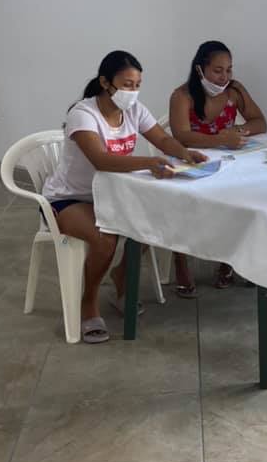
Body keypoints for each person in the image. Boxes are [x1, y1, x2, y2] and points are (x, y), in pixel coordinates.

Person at [42, 50, 206, 343]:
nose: (133, 91)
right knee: (106, 238)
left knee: (156, 219)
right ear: (105, 82)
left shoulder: (134, 110)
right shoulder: (83, 114)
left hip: (111, 193)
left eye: (137, 84)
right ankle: (88, 301)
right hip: (68, 199)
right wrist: (149, 163)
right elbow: (101, 160)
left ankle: (121, 276)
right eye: (127, 84)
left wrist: (184, 153)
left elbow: (162, 139)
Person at [169, 40, 267, 293]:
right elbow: (182, 136)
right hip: (190, 161)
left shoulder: (235, 91)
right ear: (200, 69)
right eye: (217, 70)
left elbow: (260, 122)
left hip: (227, 163)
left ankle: (229, 261)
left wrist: (239, 130)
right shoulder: (182, 96)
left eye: (229, 70)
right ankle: (180, 261)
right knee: (180, 207)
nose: (224, 77)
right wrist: (221, 139)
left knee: (242, 201)